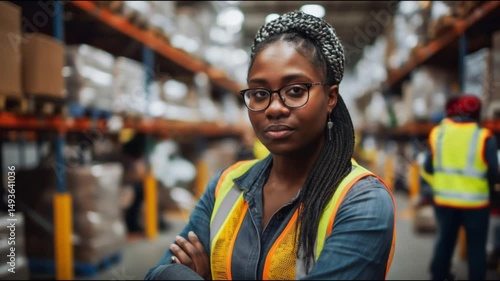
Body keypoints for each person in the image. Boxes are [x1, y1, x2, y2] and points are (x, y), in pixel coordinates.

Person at [145, 11, 396, 280]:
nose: (274, 108)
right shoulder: (227, 185)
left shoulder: (362, 201)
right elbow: (158, 273)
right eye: (260, 94)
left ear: (331, 97)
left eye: (295, 90)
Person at [425, 94, 499, 280]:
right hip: (476, 204)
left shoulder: (439, 133)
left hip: (444, 201)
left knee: (444, 243)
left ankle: (439, 276)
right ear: (479, 114)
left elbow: (428, 167)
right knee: (476, 250)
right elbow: (494, 173)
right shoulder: (484, 137)